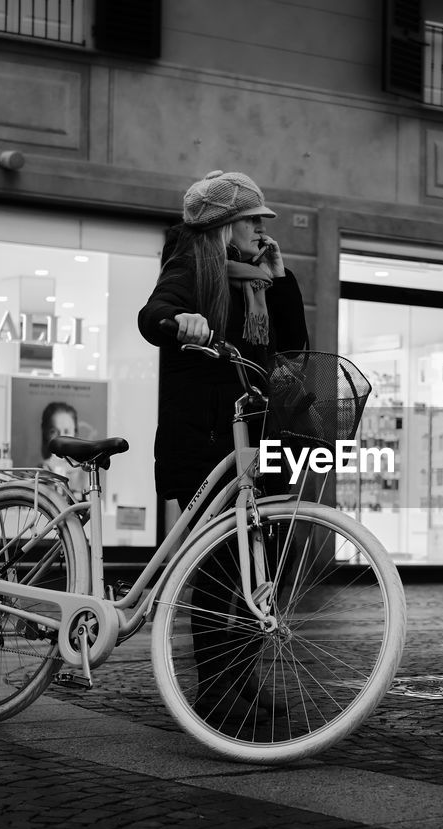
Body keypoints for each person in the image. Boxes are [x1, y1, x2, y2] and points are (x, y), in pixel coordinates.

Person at [138, 169, 309, 723]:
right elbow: (153, 314)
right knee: (215, 572)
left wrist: (280, 281)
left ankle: (242, 671)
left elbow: (296, 348)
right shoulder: (191, 266)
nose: (262, 230)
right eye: (253, 220)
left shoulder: (257, 278)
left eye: (262, 221)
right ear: (223, 227)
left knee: (260, 567)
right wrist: (179, 320)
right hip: (205, 438)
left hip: (253, 434)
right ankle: (215, 685)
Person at [39, 401, 85, 495]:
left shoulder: (84, 472)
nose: (61, 437)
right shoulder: (39, 471)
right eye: (54, 431)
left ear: (75, 433)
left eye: (67, 431)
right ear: (46, 434)